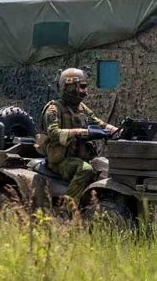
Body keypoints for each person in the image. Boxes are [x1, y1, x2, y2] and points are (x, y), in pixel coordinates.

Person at [39, 68, 117, 205]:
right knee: (85, 169)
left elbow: (98, 123)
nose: (84, 91)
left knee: (106, 166)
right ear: (69, 87)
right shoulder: (53, 109)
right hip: (60, 161)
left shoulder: (81, 108)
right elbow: (53, 133)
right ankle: (68, 207)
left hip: (80, 157)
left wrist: (116, 131)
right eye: (81, 87)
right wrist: (80, 132)